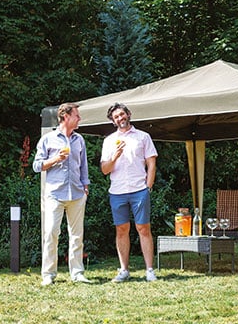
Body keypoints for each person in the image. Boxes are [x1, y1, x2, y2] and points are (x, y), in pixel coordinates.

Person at [33, 103, 91, 286]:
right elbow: (36, 166)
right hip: (55, 194)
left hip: (77, 194)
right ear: (66, 117)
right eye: (77, 116)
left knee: (77, 236)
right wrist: (56, 159)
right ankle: (48, 274)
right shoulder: (48, 139)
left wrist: (85, 187)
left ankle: (77, 273)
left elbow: (83, 166)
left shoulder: (79, 140)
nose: (79, 119)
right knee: (51, 233)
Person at [101, 102, 158, 282]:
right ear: (113, 121)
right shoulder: (109, 141)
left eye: (122, 114)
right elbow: (105, 169)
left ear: (129, 114)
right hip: (117, 191)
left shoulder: (143, 137)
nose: (120, 118)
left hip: (139, 189)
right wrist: (114, 157)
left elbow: (151, 163)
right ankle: (124, 270)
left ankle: (149, 270)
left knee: (143, 228)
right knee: (121, 230)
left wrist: (148, 186)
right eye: (116, 117)